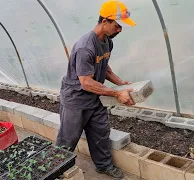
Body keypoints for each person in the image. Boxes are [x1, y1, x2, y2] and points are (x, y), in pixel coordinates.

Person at [56, 0, 136, 179]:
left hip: (95, 98)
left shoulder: (107, 42)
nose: (120, 30)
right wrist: (116, 93)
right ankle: (59, 169)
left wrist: (120, 83)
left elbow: (105, 67)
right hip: (75, 100)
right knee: (68, 138)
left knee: (100, 132)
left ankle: (103, 165)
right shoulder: (86, 47)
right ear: (105, 21)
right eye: (117, 25)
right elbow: (86, 82)